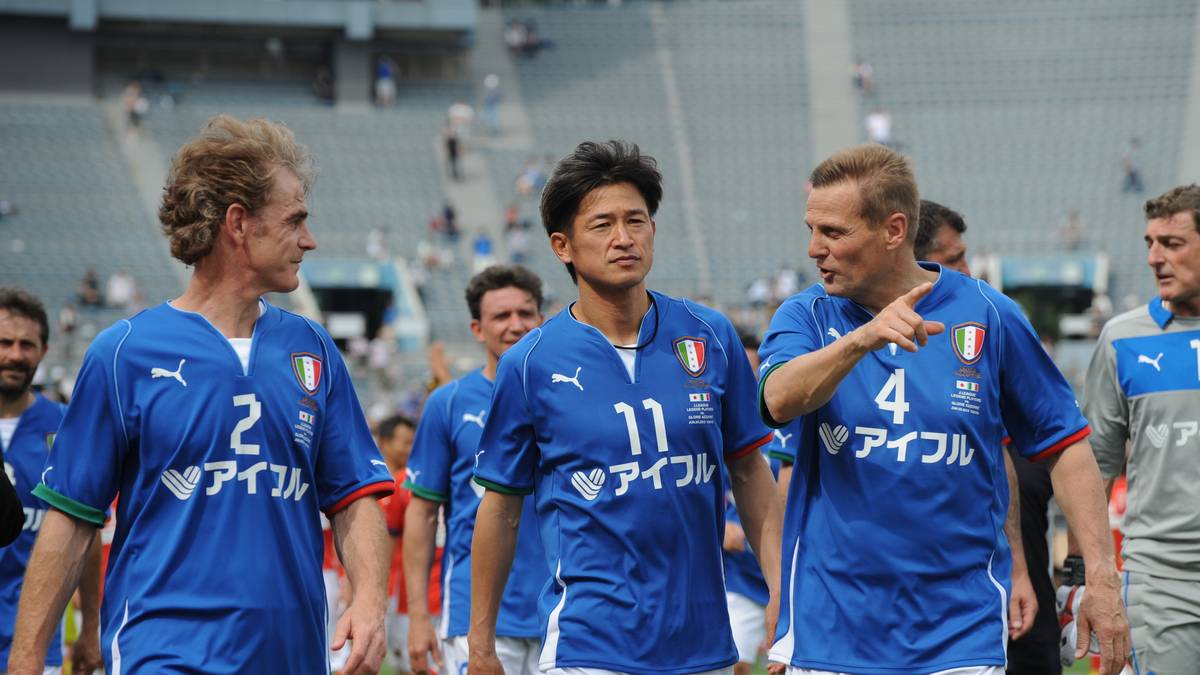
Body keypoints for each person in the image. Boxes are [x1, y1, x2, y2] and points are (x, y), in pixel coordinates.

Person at [9, 115, 394, 674]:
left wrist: (370, 602)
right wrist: (23, 664)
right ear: (239, 223)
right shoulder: (124, 354)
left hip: (293, 655)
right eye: (294, 221)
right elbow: (69, 520)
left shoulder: (312, 348)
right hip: (164, 654)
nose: (308, 240)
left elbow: (354, 498)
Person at [758, 144, 1129, 675]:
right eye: (811, 230)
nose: (815, 248)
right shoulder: (806, 316)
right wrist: (861, 339)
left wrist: (1100, 577)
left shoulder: (990, 315)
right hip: (831, 630)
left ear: (893, 230)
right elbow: (778, 399)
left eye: (833, 232)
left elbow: (1065, 447)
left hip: (959, 631)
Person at [468, 140, 783, 674]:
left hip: (704, 644)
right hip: (588, 646)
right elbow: (500, 508)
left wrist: (782, 592)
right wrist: (480, 645)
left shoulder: (710, 334)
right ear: (562, 246)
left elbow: (750, 473)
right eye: (602, 224)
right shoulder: (531, 363)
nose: (623, 238)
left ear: (654, 231)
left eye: (636, 220)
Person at [915, 199, 1057, 673]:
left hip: (1015, 592)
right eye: (953, 259)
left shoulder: (995, 321)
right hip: (924, 609)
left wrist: (1024, 566)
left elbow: (1070, 449)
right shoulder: (854, 349)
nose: (968, 270)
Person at [403, 265, 548, 675]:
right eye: (502, 316)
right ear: (477, 329)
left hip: (561, 610)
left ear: (542, 319)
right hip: (474, 617)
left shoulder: (569, 399)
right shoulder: (447, 404)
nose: (516, 325)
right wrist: (418, 618)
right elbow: (423, 513)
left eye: (526, 313)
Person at [1083, 183, 1200, 674]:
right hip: (1161, 580)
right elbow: (1092, 468)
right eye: (1149, 244)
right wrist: (1085, 574)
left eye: (1171, 244)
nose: (1155, 258)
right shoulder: (1123, 338)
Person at [0, 288, 103, 675]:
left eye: (27, 344)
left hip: (35, 648)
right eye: (4, 342)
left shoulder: (67, 427)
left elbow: (86, 533)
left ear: (43, 351)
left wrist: (90, 625)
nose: (14, 354)